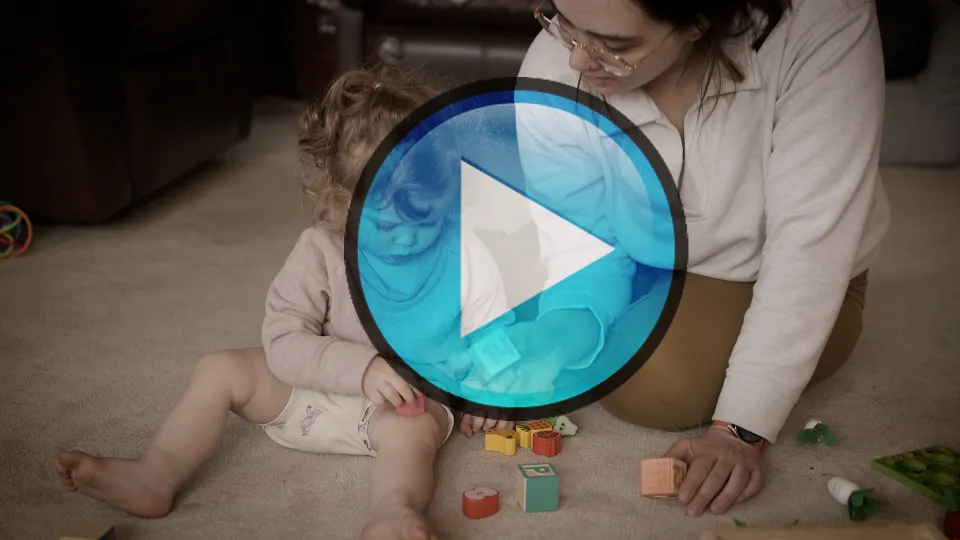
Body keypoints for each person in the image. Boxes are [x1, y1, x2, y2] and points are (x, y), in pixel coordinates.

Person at [55, 66, 513, 540]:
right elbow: (282, 340)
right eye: (382, 222)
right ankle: (155, 474)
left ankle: (393, 511)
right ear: (340, 200)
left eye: (423, 219)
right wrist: (362, 368)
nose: (404, 238)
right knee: (219, 369)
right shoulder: (320, 249)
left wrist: (496, 385)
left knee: (411, 436)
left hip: (403, 404)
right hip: (310, 389)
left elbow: (496, 325)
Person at [481, 0, 890, 518]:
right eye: (564, 23)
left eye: (616, 44)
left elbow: (810, 247)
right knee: (480, 296)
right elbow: (579, 245)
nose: (578, 61)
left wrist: (740, 428)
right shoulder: (554, 65)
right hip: (640, 255)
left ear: (699, 20)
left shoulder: (828, 20)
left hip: (771, 267)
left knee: (655, 386)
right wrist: (557, 337)